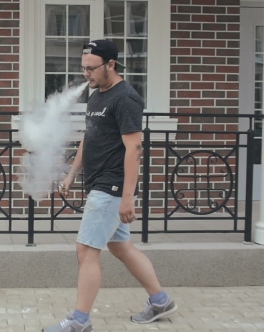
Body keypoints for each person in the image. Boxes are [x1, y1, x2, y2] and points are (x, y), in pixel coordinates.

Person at [43, 40, 178, 332]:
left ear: (111, 65)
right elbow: (88, 138)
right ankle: (161, 300)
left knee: (85, 250)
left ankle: (80, 320)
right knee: (121, 248)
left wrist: (128, 197)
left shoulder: (125, 98)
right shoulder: (97, 97)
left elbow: (134, 149)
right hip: (100, 184)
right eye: (84, 69)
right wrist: (70, 175)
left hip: (112, 187)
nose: (86, 75)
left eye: (91, 69)